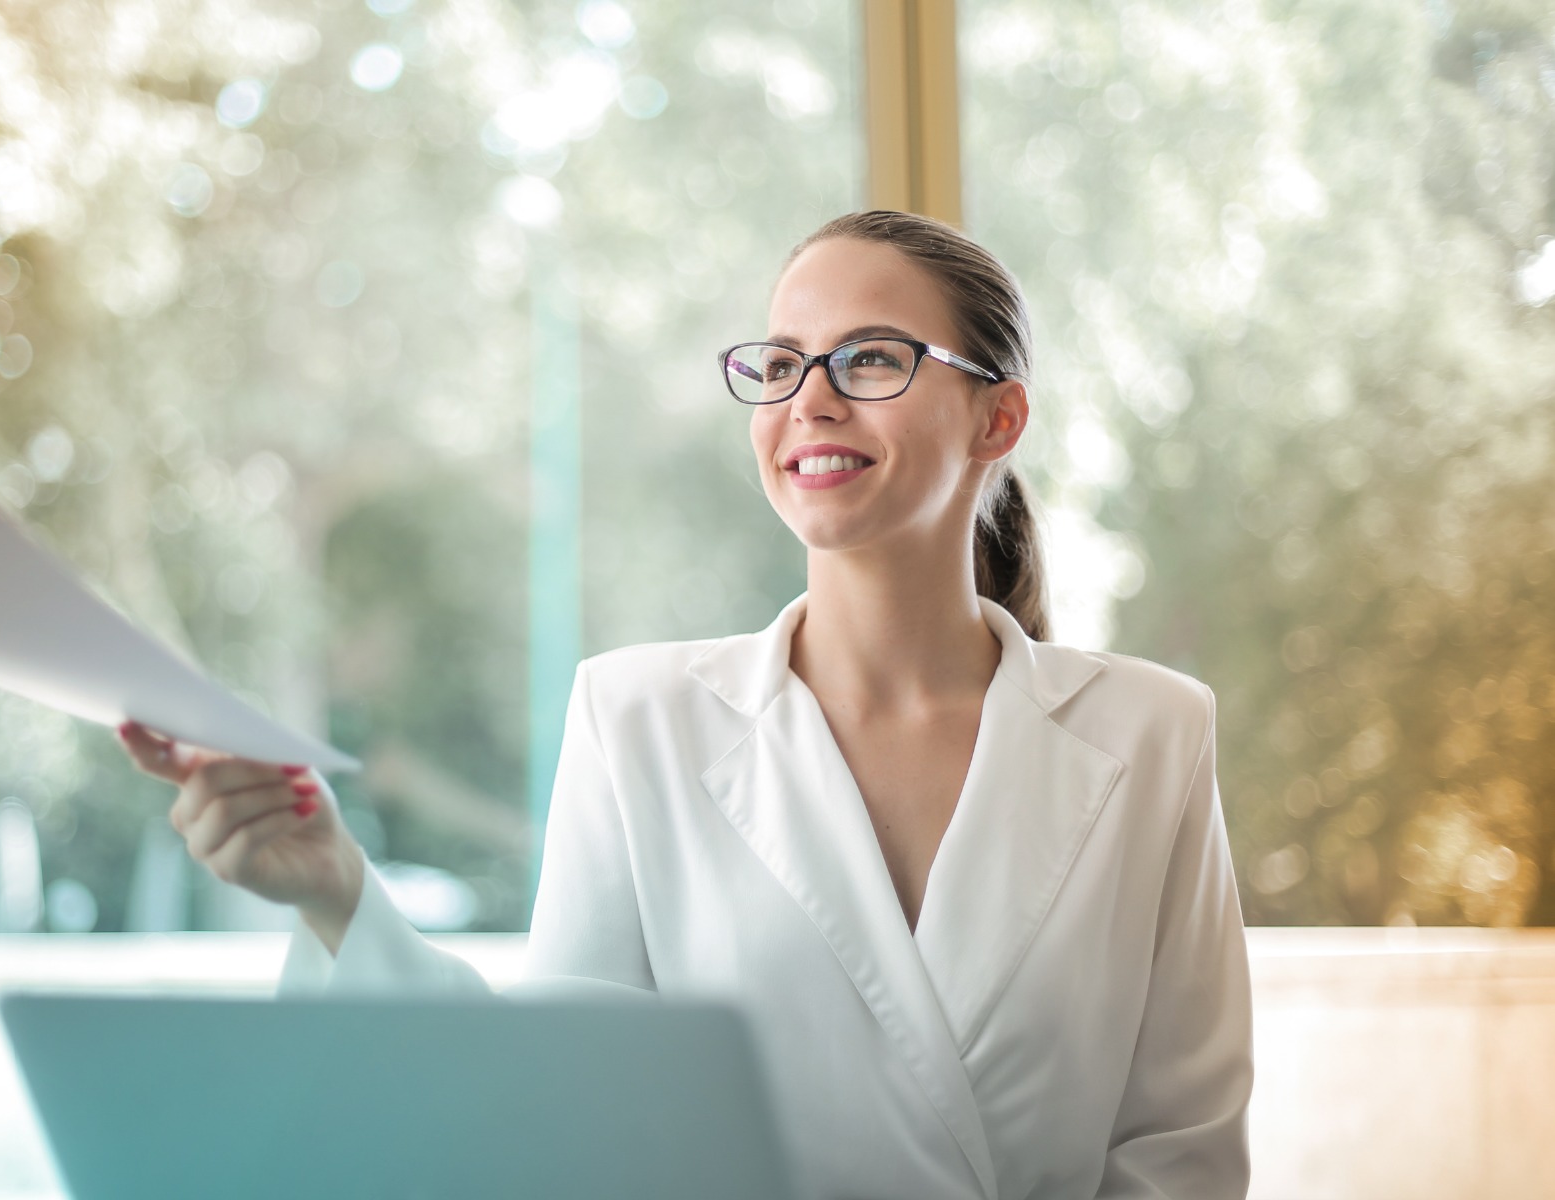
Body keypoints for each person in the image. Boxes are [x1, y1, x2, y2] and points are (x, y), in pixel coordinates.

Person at [121, 208, 1250, 1200]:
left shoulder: (1151, 734)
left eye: (869, 359)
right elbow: (557, 1114)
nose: (809, 401)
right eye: (781, 363)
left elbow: (1180, 1150)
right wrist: (338, 896)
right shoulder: (636, 720)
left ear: (997, 420)